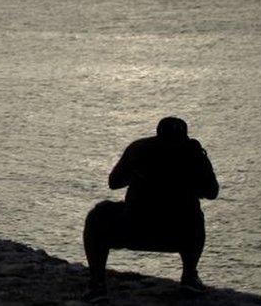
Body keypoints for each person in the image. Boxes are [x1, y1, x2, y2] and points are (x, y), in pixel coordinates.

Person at [82, 117, 219, 302]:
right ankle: (189, 276)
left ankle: (97, 284)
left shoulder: (138, 149)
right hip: (177, 233)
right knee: (195, 217)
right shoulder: (193, 153)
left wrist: (139, 173)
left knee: (99, 214)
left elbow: (114, 182)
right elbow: (212, 192)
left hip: (134, 229)